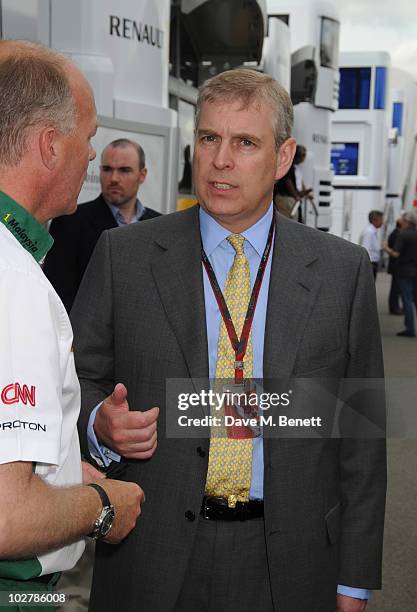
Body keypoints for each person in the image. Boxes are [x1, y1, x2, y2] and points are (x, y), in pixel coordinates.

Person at [71, 69, 386, 612]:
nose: (220, 160)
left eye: (245, 142)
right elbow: (76, 381)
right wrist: (99, 420)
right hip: (151, 553)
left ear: (283, 158)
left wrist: (353, 580)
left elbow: (361, 440)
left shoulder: (342, 273)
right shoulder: (124, 257)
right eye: (210, 138)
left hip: (292, 563)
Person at [0, 41, 143, 609]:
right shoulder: (14, 280)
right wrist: (102, 504)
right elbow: (8, 516)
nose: (92, 157)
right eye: (87, 138)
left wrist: (60, 469)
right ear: (48, 145)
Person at [43, 138, 161, 312]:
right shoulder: (70, 221)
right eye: (107, 169)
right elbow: (58, 295)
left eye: (124, 170)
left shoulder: (159, 225)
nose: (114, 178)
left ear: (142, 175)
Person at [391, 210, 417, 337]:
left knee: (407, 300)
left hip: (404, 271)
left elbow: (396, 253)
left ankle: (410, 329)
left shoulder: (403, 235)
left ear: (407, 222)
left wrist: (385, 248)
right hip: (416, 270)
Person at [273, 144, 312, 220]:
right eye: (303, 155)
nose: (304, 158)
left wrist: (305, 193)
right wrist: (295, 196)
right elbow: (288, 182)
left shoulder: (296, 167)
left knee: (297, 219)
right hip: (285, 197)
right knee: (291, 219)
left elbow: (300, 182)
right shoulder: (288, 166)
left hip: (292, 198)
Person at [383, 215, 405, 314]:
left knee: (396, 288)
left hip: (396, 265)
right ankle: (394, 308)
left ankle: (395, 307)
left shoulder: (397, 233)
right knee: (396, 288)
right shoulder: (398, 234)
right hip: (397, 266)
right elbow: (395, 252)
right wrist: (386, 248)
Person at [359, 210, 384, 279]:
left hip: (372, 263)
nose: (382, 222)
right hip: (370, 264)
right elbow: (366, 249)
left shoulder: (372, 231)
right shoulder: (369, 232)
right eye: (381, 219)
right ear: (374, 220)